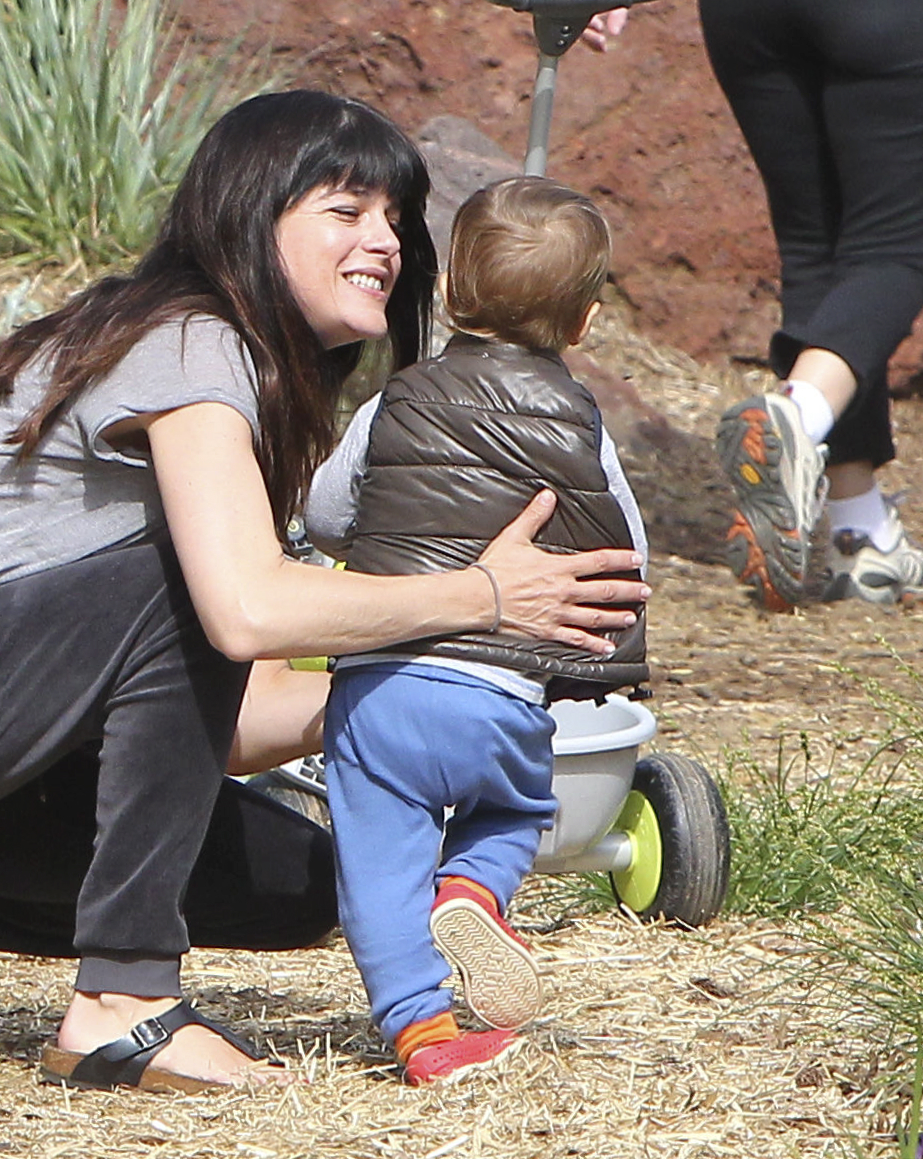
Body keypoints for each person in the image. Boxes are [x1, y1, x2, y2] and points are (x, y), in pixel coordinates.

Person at [0, 91, 651, 1093]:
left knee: (305, 885)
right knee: (186, 582)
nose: (384, 239)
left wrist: (459, 686)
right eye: (345, 210)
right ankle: (121, 1004)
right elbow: (243, 611)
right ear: (253, 218)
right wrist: (477, 599)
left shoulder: (240, 384)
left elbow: (220, 710)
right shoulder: (188, 341)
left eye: (395, 215)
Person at [305, 176, 649, 1085]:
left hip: (378, 685)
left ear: (449, 291)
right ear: (582, 323)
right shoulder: (580, 422)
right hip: (498, 691)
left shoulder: (398, 400)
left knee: (378, 863)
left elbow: (327, 511)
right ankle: (471, 890)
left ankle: (422, 1032)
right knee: (513, 810)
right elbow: (625, 549)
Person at [701, 0, 923, 609]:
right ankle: (800, 418)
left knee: (815, 247)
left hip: (741, 18)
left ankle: (863, 535)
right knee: (899, 247)